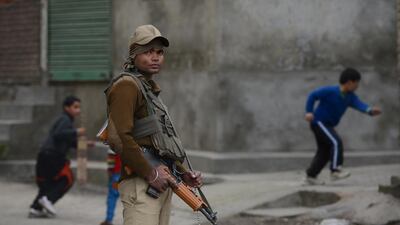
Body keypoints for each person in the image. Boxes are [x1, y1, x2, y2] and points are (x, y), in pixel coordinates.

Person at [105, 24, 202, 225]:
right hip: (141, 182)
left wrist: (183, 174)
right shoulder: (126, 86)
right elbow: (119, 138)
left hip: (161, 182)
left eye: (159, 52)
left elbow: (159, 145)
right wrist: (150, 173)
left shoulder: (149, 91)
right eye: (148, 52)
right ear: (134, 55)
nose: (155, 57)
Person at [304, 68, 382, 185]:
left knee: (324, 152)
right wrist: (309, 111)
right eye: (356, 83)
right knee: (335, 142)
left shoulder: (350, 97)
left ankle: (311, 175)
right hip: (319, 122)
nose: (357, 86)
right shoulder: (330, 91)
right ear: (349, 82)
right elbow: (313, 95)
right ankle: (335, 170)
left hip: (327, 125)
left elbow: (359, 104)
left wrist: (370, 110)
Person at [29, 96, 93, 218]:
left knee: (48, 183)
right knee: (67, 178)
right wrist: (76, 132)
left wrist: (84, 144)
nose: (78, 110)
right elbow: (58, 134)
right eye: (75, 107)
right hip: (53, 155)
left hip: (45, 154)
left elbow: (66, 140)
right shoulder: (65, 120)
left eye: (79, 107)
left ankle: (35, 208)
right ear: (66, 107)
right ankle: (47, 199)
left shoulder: (65, 121)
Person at [100, 149, 122, 225]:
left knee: (112, 197)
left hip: (116, 175)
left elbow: (111, 160)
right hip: (128, 176)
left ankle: (109, 220)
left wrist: (110, 172)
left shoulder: (113, 142)